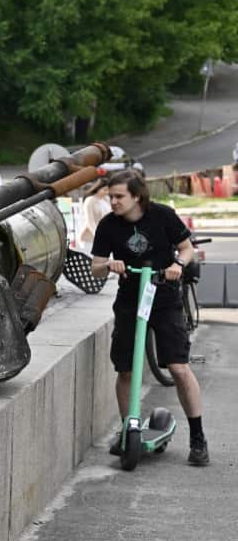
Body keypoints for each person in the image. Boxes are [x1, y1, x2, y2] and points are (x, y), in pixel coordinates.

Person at [90, 170, 208, 466]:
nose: (113, 202)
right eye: (111, 196)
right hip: (130, 299)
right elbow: (96, 267)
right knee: (126, 370)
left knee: (179, 369)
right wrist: (110, 265)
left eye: (119, 197)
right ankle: (129, 427)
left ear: (137, 197)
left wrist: (178, 265)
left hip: (164, 297)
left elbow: (186, 247)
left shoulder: (162, 216)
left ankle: (198, 437)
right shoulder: (108, 225)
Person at [78, 180, 110, 248]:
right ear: (98, 188)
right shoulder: (90, 200)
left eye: (108, 190)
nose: (107, 192)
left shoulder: (106, 199)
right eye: (105, 190)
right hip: (90, 238)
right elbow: (90, 221)